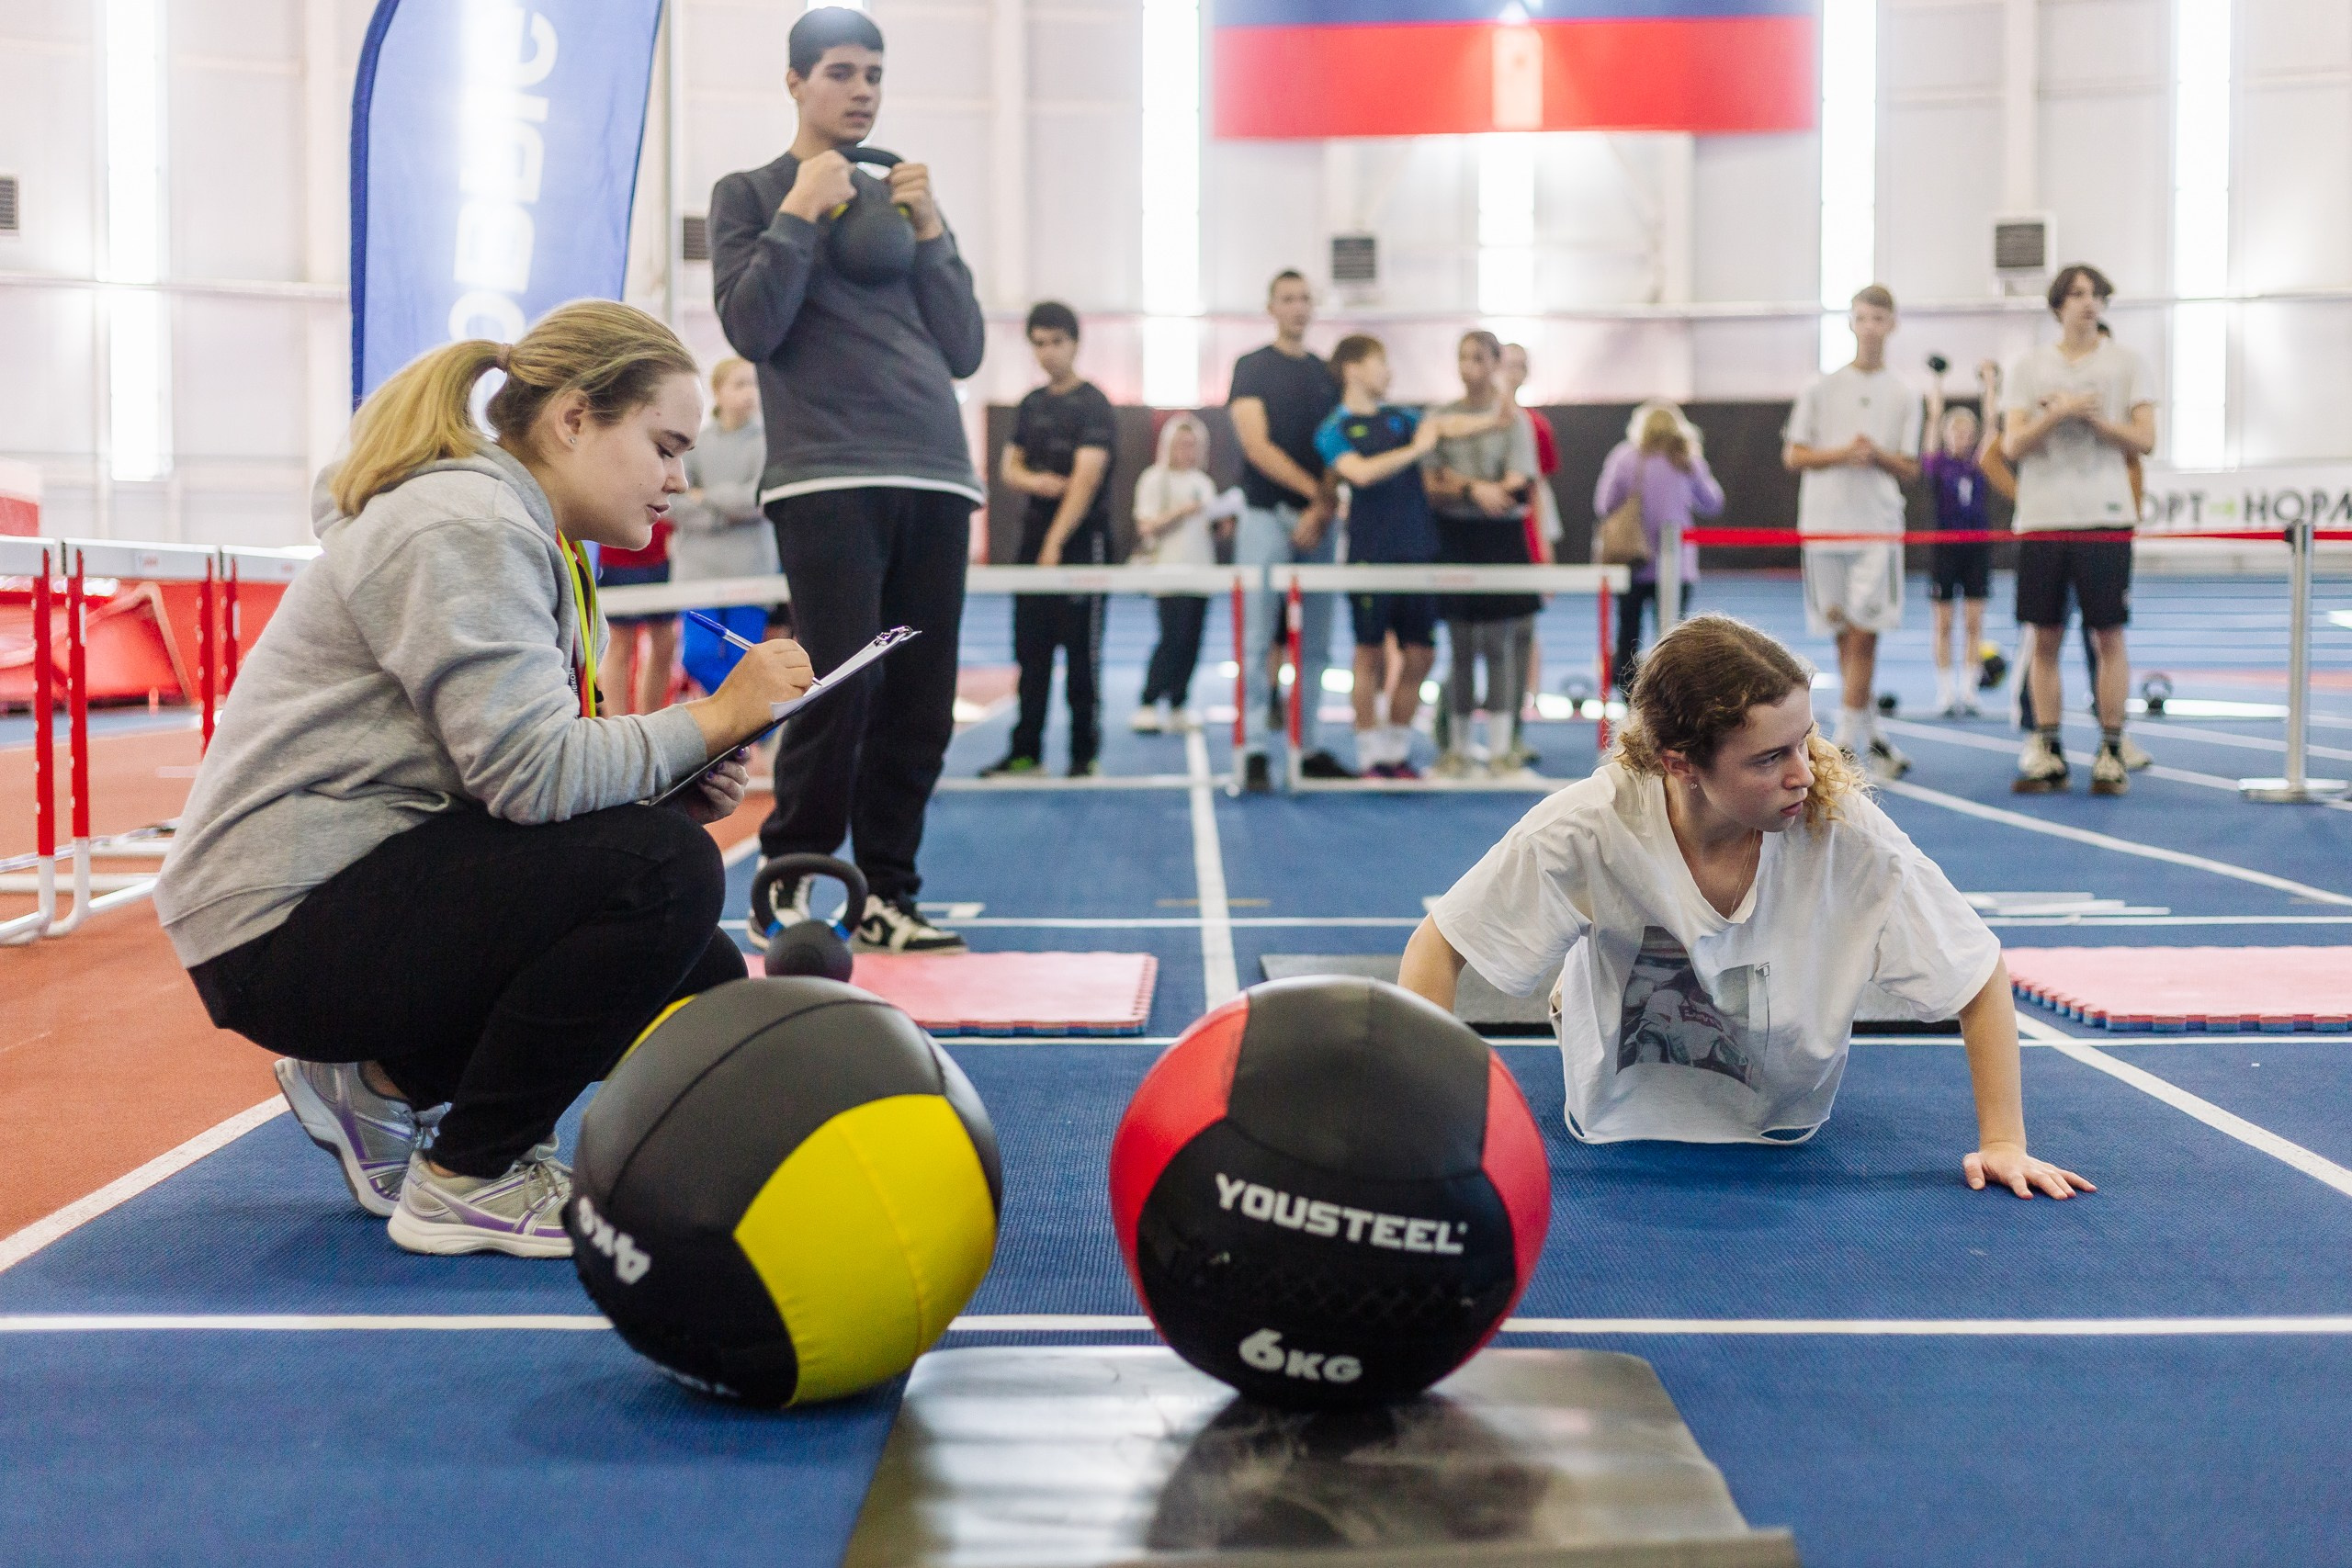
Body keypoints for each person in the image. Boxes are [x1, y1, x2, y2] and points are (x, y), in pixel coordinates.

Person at [153, 301, 817, 1258]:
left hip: (354, 882)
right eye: (665, 446)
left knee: (690, 959)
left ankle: (382, 1082)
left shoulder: (527, 530)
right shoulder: (464, 522)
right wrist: (712, 716)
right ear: (575, 418)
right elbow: (530, 778)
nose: (679, 480)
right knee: (661, 874)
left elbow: (499, 776)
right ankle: (470, 1177)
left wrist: (669, 776)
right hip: (278, 926)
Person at [1397, 615, 2091, 1199]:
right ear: (1680, 763)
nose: (1805, 772)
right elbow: (1439, 943)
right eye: (1768, 758)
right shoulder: (1591, 823)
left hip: (1783, 1126)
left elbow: (1975, 968)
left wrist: (2004, 1140)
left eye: (1806, 740)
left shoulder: (1841, 828)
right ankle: (1576, 987)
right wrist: (1424, 1133)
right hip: (1615, 1124)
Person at [709, 4, 985, 953]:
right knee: (838, 687)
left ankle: (888, 896)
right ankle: (789, 881)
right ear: (794, 82)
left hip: (937, 473)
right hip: (824, 476)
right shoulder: (748, 193)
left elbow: (965, 348)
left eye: (872, 74)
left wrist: (935, 227)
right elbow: (751, 327)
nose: (861, 90)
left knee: (918, 697)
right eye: (838, 72)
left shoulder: (904, 202)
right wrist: (798, 211)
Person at [1314, 334, 1506, 780]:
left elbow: (1445, 427)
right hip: (1370, 556)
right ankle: (1368, 756)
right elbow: (1359, 474)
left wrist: (1494, 420)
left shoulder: (1402, 418)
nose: (1390, 373)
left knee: (1419, 655)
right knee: (1370, 657)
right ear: (1354, 369)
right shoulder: (1332, 429)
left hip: (1418, 552)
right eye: (1382, 363)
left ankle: (1395, 751)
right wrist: (1416, 452)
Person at [2002, 264, 2156, 795]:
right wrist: (2058, 413)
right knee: (2044, 637)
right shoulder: (2028, 367)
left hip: (2105, 513)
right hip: (2044, 516)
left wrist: (2092, 419)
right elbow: (2011, 446)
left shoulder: (2127, 363)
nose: (2087, 303)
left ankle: (2112, 748)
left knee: (2108, 633)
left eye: (2095, 294)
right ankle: (2047, 746)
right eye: (2076, 294)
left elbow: (2145, 439)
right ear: (2057, 305)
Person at [1783, 284, 1923, 779]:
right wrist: (1844, 452)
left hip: (1877, 526)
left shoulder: (1905, 393)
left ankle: (1841, 742)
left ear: (1892, 324)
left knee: (1866, 633)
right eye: (1862, 317)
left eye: (1879, 318)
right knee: (1844, 634)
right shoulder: (1820, 388)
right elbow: (1795, 455)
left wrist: (1876, 454)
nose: (1870, 327)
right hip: (1824, 525)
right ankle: (1872, 731)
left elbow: (1910, 467)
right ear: (1851, 322)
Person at [1228, 270, 1353, 791]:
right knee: (1258, 639)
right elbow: (1257, 448)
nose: (1297, 307)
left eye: (1305, 299)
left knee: (1318, 642)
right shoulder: (1251, 368)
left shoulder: (1329, 375)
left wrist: (1321, 510)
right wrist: (1317, 496)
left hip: (1318, 522)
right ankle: (1256, 748)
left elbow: (1338, 448)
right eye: (1287, 299)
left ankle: (1308, 743)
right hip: (1264, 516)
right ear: (1271, 306)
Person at [988, 301, 1115, 778]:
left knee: (1082, 657)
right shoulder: (1031, 404)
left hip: (1081, 545)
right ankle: (1027, 752)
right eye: (1038, 344)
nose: (1047, 353)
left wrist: (1055, 544)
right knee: (1031, 652)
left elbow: (1085, 480)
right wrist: (1038, 482)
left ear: (1075, 343)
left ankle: (1084, 756)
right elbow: (1008, 470)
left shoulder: (1094, 404)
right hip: (1033, 542)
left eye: (1056, 342)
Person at [1425, 330, 1543, 778]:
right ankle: (1454, 748)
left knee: (1498, 643)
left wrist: (1483, 489)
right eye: (1461, 357)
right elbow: (1433, 483)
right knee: (1458, 645)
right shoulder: (1442, 416)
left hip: (1500, 540)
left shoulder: (1515, 420)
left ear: (1495, 363)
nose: (1467, 365)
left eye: (1477, 357)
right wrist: (1476, 488)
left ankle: (1499, 748)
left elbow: (1517, 484)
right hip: (1453, 536)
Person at [672, 355, 780, 698]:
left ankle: (748, 729)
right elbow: (672, 500)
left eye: (754, 384)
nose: (750, 393)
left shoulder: (771, 441)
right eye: (740, 384)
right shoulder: (694, 442)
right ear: (717, 391)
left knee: (743, 660)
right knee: (697, 656)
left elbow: (760, 498)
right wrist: (725, 513)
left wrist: (706, 498)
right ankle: (757, 719)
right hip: (697, 573)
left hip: (751, 572)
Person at [1594, 401, 1723, 687]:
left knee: (1628, 635)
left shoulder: (1625, 457)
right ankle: (1670, 700)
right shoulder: (1686, 458)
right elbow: (1713, 503)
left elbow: (1604, 504)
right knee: (1674, 641)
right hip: (1677, 567)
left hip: (1633, 563)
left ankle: (1631, 705)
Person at [1920, 359, 2013, 717]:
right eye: (1954, 431)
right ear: (1946, 436)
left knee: (1974, 623)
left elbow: (1992, 423)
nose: (1961, 437)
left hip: (1976, 548)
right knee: (1943, 624)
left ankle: (1969, 690)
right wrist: (1938, 381)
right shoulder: (1938, 464)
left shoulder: (1979, 464)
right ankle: (1945, 692)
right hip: (1945, 548)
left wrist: (1990, 383)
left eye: (1966, 432)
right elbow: (1932, 418)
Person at [1130, 412, 1229, 733]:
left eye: (1193, 444)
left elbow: (1210, 529)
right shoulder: (1154, 479)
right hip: (1168, 573)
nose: (1187, 450)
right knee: (1172, 638)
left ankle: (1178, 702)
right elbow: (1146, 526)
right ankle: (1148, 701)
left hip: (1201, 573)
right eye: (1181, 444)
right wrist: (1181, 512)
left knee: (1192, 642)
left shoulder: (1204, 483)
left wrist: (1223, 524)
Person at [1500, 344, 1561, 749]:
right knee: (1475, 640)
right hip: (1484, 543)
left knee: (1522, 635)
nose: (1514, 372)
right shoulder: (1468, 421)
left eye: (1522, 365)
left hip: (1524, 543)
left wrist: (1544, 550)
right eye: (1508, 364)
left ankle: (1513, 733)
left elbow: (1539, 492)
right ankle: (1456, 731)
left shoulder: (1537, 427)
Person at [593, 505, 677, 715]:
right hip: (618, 555)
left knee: (665, 643)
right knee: (621, 644)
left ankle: (651, 720)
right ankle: (617, 724)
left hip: (659, 553)